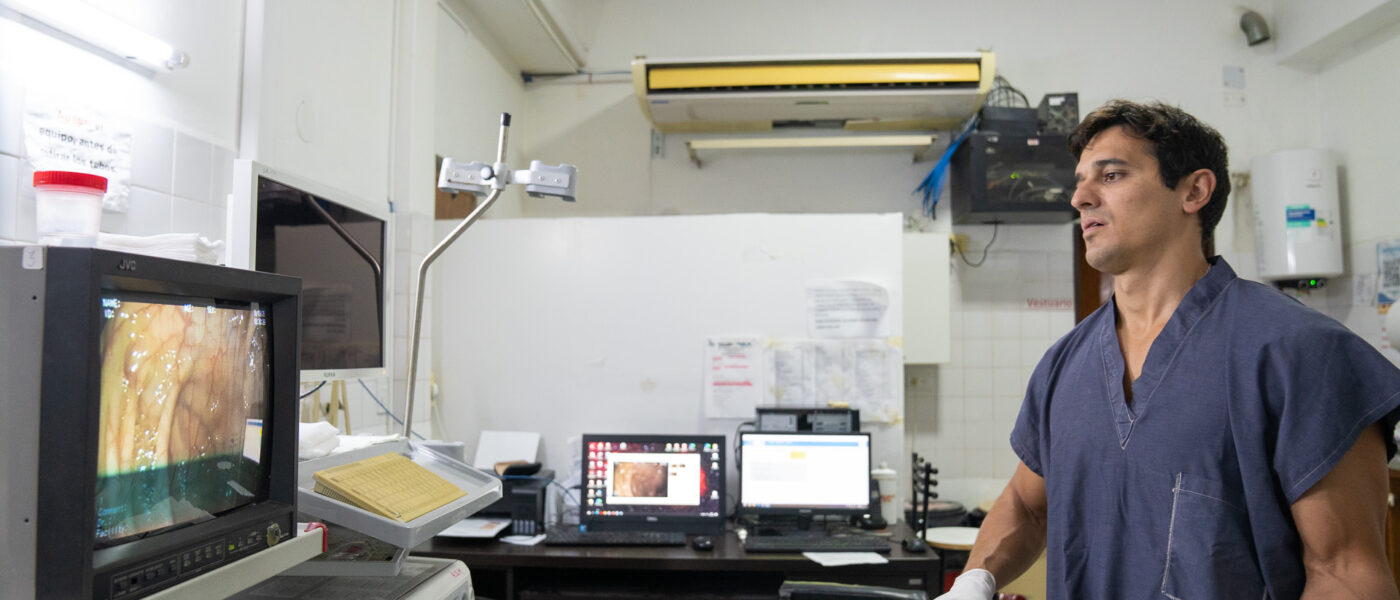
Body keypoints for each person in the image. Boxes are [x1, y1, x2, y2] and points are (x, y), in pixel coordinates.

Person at [937, 100, 1400, 599]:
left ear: (1194, 191)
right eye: (1080, 182)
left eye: (1111, 175)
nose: (1080, 198)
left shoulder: (1299, 352)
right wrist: (975, 580)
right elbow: (1028, 506)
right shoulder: (1064, 364)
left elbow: (1346, 572)